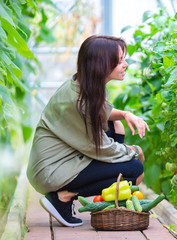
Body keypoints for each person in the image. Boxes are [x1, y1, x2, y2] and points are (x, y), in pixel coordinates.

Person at [27, 35, 149, 227]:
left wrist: (125, 114)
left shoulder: (84, 85)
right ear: (102, 64)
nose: (126, 64)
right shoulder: (79, 101)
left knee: (116, 124)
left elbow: (104, 112)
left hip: (66, 159)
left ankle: (102, 197)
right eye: (119, 61)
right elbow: (100, 148)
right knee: (135, 171)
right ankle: (63, 197)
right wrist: (133, 151)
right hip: (51, 171)